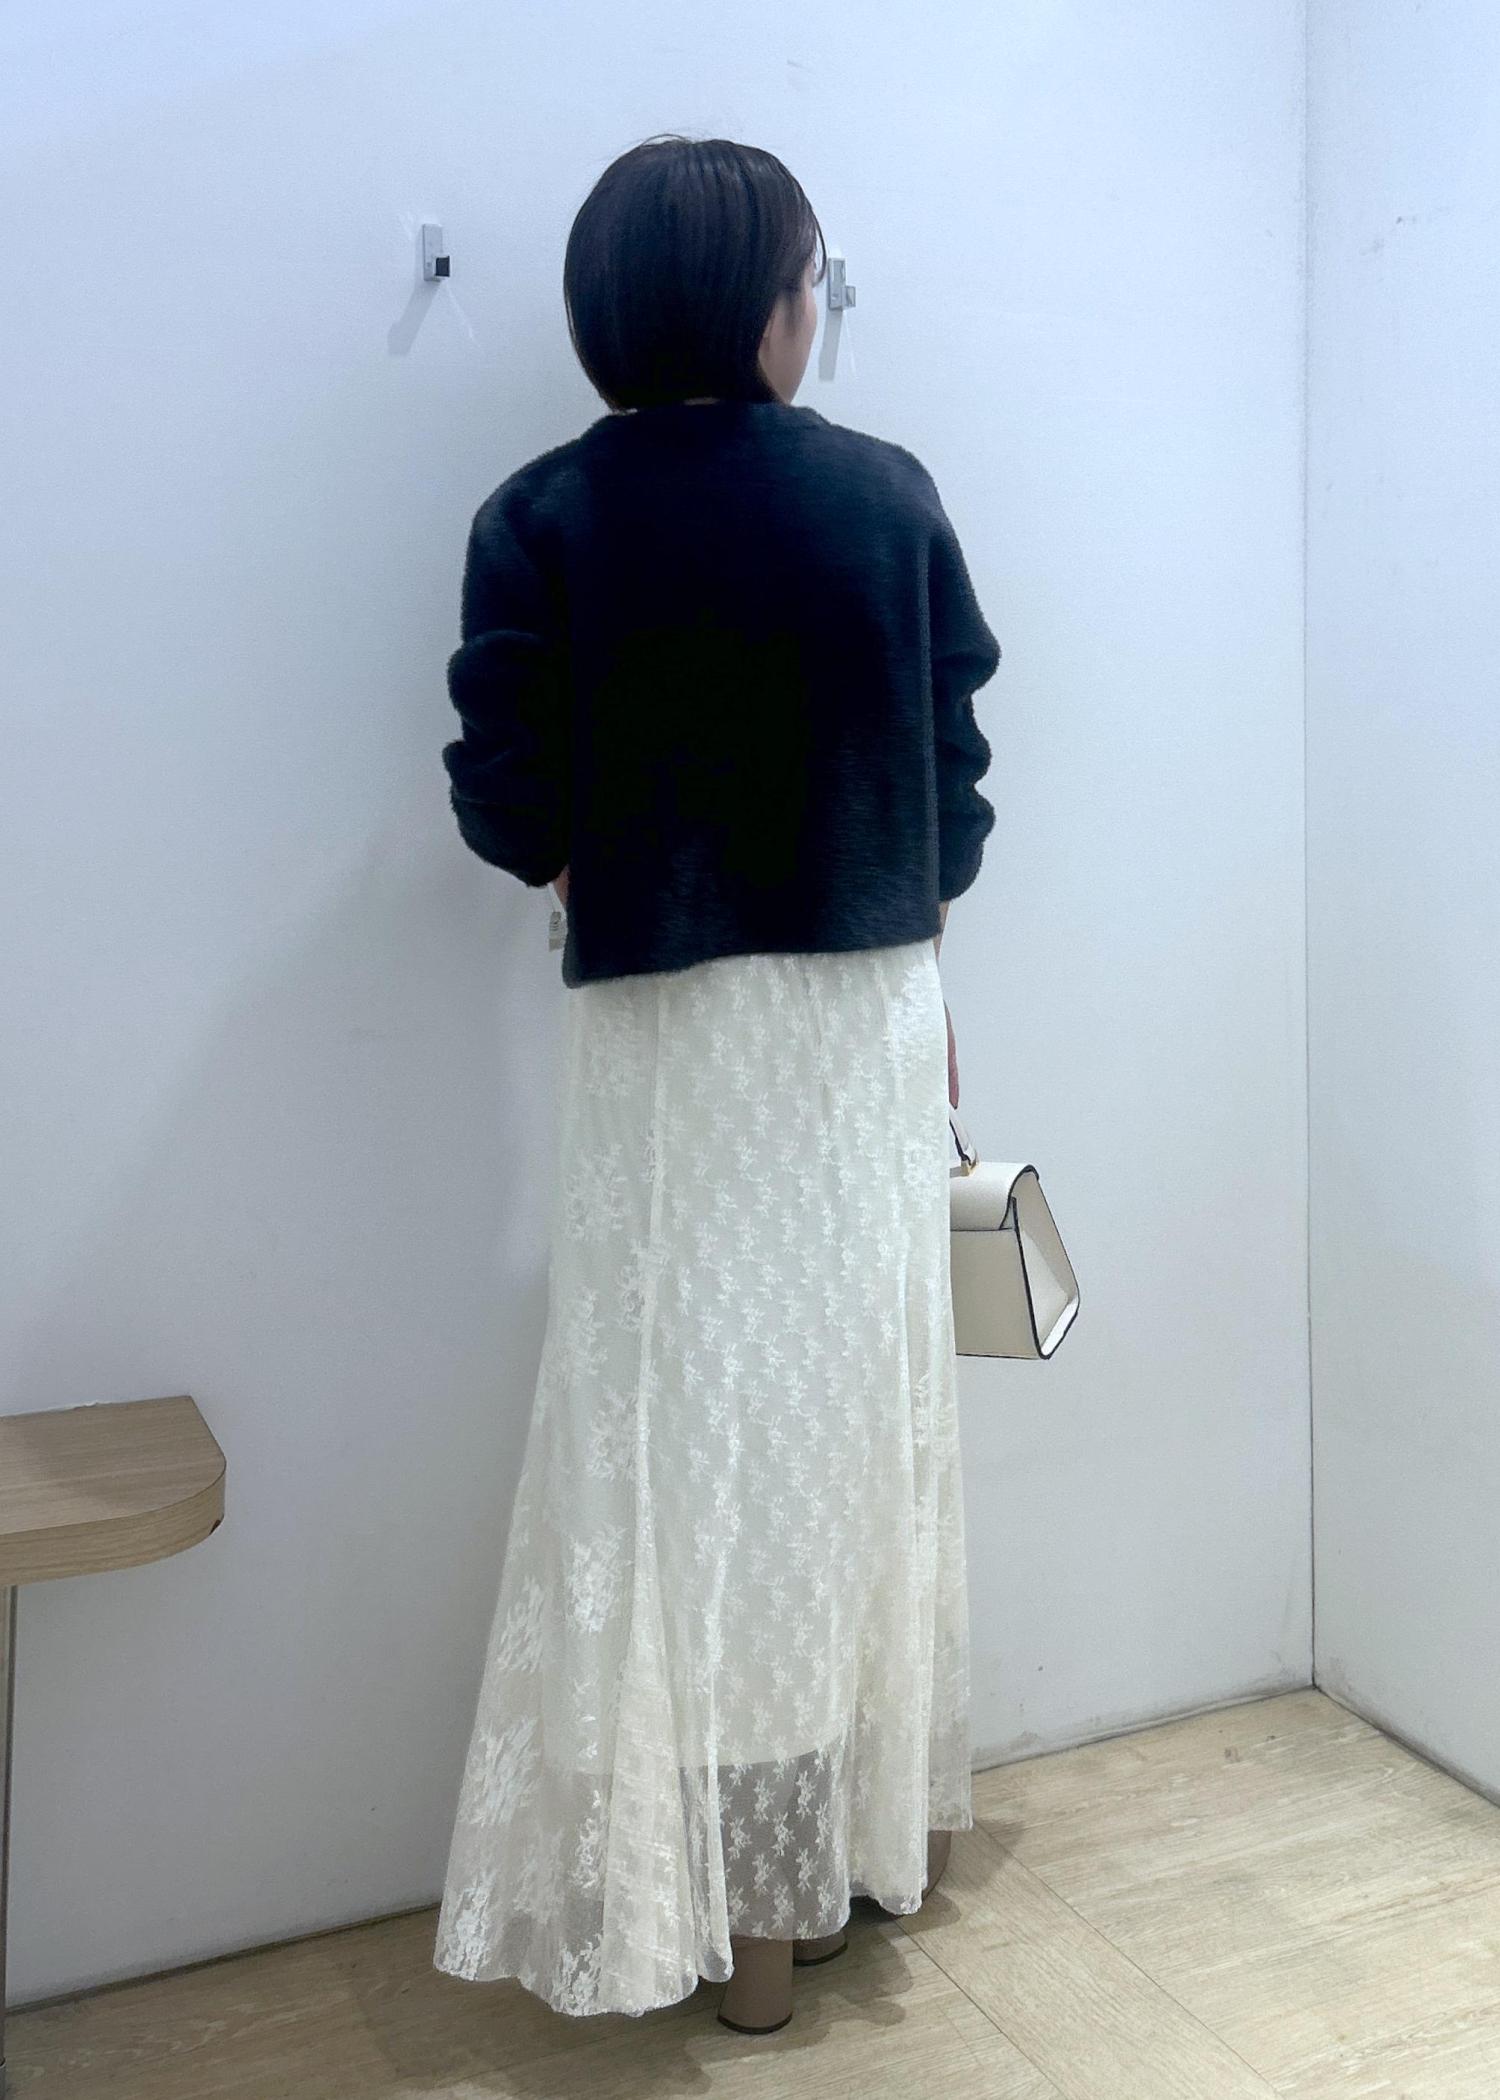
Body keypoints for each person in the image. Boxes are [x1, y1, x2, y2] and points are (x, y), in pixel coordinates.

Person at [431, 133, 1002, 2036]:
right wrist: (907, 912)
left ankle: (733, 1913)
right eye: (808, 282)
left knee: (680, 1439)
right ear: (768, 307)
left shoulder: (544, 514)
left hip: (668, 1035)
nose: (813, 312)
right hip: (856, 1018)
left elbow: (501, 778)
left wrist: (586, 871)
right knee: (844, 1424)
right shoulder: (883, 494)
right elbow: (956, 762)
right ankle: (815, 1873)